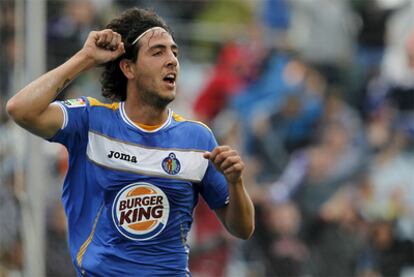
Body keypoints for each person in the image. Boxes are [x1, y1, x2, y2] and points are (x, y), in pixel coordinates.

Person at [6, 7, 255, 276]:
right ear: (128, 67)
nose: (172, 60)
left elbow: (242, 229)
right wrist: (85, 58)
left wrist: (236, 182)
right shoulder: (91, 121)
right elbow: (20, 109)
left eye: (174, 52)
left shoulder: (198, 137)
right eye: (158, 52)